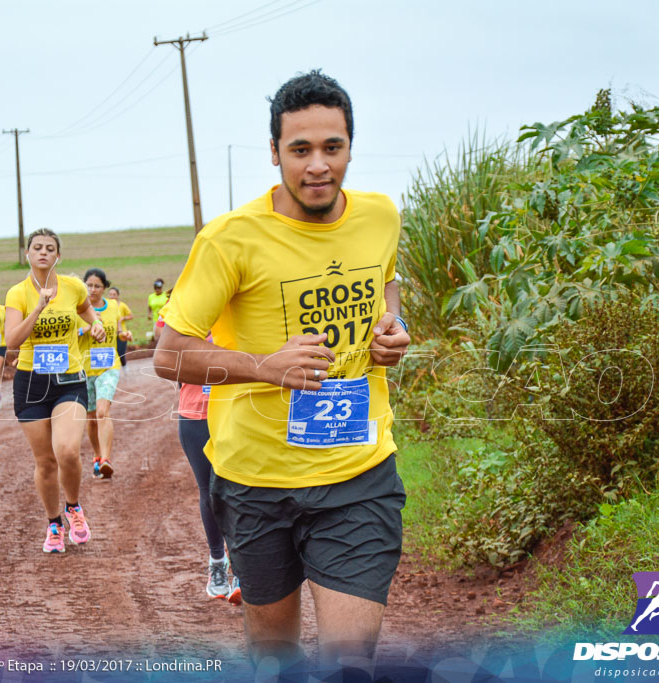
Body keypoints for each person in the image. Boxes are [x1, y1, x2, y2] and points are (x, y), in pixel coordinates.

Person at [153, 70, 410, 678]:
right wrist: (264, 368)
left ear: (350, 145)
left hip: (359, 471)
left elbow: (386, 281)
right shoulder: (230, 241)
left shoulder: (379, 216)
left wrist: (390, 327)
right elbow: (169, 354)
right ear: (274, 153)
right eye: (300, 150)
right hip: (256, 482)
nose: (318, 166)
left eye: (332, 147)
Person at [5, 228, 107, 554]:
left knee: (66, 450)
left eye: (50, 248)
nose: (44, 253)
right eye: (37, 248)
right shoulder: (17, 294)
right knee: (46, 462)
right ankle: (53, 524)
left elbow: (84, 308)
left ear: (58, 255)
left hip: (68, 380)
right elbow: (12, 341)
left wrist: (96, 323)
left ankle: (74, 507)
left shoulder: (74, 286)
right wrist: (38, 307)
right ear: (28, 254)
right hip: (31, 383)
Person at [176, 334, 240, 604]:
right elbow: (171, 363)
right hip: (195, 414)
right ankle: (217, 561)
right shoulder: (187, 317)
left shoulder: (238, 312)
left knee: (239, 490)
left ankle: (240, 569)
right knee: (210, 492)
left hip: (237, 412)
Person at [77, 268, 132, 480]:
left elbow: (117, 332)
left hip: (109, 366)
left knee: (102, 411)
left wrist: (124, 335)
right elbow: (68, 336)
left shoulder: (114, 308)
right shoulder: (77, 309)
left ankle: (107, 459)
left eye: (97, 286)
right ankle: (98, 457)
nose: (92, 289)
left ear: (105, 288)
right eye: (89, 285)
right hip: (84, 368)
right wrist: (85, 329)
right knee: (91, 418)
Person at [107, 286, 133, 369]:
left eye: (114, 294)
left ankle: (125, 368)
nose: (112, 296)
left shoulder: (122, 306)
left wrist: (123, 318)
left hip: (122, 332)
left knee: (121, 353)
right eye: (110, 294)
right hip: (111, 333)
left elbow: (131, 316)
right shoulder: (106, 306)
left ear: (118, 295)